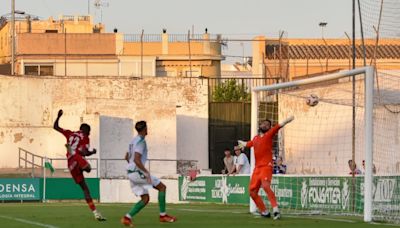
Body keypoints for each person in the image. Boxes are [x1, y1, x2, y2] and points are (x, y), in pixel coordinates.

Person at [53, 109, 106, 221]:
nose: (90, 134)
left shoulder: (70, 133)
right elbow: (84, 152)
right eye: (89, 131)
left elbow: (56, 127)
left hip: (70, 163)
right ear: (86, 131)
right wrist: (92, 152)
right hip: (76, 157)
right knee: (89, 168)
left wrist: (58, 117)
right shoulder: (85, 137)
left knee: (85, 189)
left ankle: (96, 213)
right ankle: (80, 162)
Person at [121, 121, 177, 227]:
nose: (148, 130)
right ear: (144, 129)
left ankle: (127, 218)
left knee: (145, 199)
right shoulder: (141, 142)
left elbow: (127, 157)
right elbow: (137, 159)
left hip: (131, 172)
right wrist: (146, 172)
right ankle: (163, 216)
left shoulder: (133, 141)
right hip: (138, 172)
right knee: (162, 187)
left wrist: (132, 167)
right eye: (147, 128)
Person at [238, 116, 294, 220]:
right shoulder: (255, 138)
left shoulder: (269, 135)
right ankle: (265, 212)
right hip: (257, 169)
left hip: (266, 167)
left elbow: (278, 127)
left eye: (267, 125)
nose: (265, 125)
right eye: (263, 123)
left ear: (269, 128)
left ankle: (276, 210)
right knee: (252, 192)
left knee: (265, 186)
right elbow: (250, 144)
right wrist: (243, 144)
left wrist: (286, 121)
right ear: (260, 125)